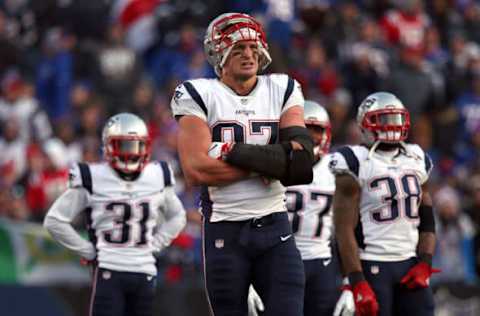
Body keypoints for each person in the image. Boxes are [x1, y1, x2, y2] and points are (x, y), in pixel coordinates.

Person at [170, 12, 314, 316]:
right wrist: (269, 163)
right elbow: (196, 170)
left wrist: (234, 152)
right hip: (225, 230)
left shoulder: (282, 87)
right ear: (219, 54)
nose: (248, 55)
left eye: (251, 47)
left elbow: (301, 163)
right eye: (237, 49)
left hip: (275, 226)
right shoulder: (198, 93)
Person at [43, 113, 186, 316]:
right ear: (109, 146)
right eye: (123, 146)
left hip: (142, 271)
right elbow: (54, 221)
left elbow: (178, 217)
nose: (130, 153)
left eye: (135, 145)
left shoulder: (156, 175)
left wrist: (155, 244)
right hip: (112, 270)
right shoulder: (93, 176)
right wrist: (88, 250)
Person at [330, 92, 439, 316]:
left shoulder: (417, 157)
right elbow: (343, 229)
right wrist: (357, 280)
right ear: (365, 123)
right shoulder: (354, 160)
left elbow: (427, 219)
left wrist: (425, 261)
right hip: (372, 263)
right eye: (383, 119)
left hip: (410, 263)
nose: (391, 126)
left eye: (395, 119)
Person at [247, 100, 356, 316]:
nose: (311, 137)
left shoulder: (339, 168)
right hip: (278, 262)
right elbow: (251, 225)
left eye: (316, 130)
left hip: (322, 265)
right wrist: (247, 278)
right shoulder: (273, 165)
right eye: (305, 130)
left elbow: (349, 231)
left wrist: (349, 281)